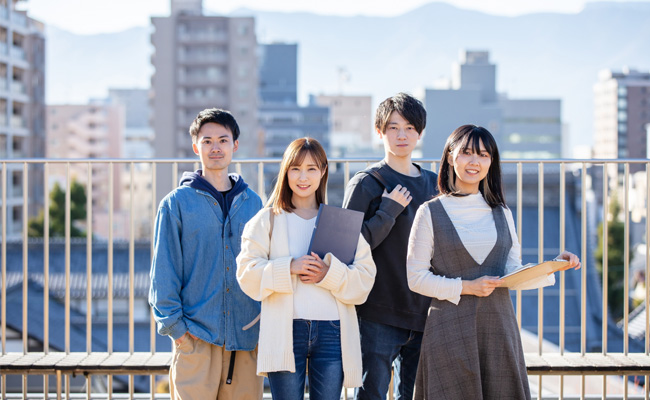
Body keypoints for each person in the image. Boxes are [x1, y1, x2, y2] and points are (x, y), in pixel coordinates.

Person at [406, 124, 581, 399]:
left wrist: (555, 264)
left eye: (484, 155)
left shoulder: (501, 213)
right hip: (449, 330)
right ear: (450, 157)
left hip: (498, 328)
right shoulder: (429, 212)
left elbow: (512, 272)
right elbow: (415, 277)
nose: (475, 161)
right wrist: (467, 286)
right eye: (466, 153)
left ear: (491, 162)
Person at [236, 137, 376, 400]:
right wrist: (289, 266)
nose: (303, 177)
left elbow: (365, 280)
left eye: (312, 168)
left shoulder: (339, 222)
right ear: (285, 172)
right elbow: (246, 273)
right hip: (286, 330)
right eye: (295, 168)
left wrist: (328, 274)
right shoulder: (267, 220)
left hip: (333, 330)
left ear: (323, 171)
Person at [149, 108, 264, 400]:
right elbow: (163, 273)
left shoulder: (253, 203)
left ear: (235, 146)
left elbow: (263, 266)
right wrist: (179, 333)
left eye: (223, 140)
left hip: (246, 341)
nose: (216, 147)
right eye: (208, 140)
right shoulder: (175, 204)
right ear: (195, 146)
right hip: (196, 339)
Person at [342, 93, 438, 400]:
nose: (402, 135)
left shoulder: (436, 185)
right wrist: (387, 212)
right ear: (379, 130)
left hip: (425, 312)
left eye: (410, 128)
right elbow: (345, 249)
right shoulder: (366, 183)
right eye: (394, 127)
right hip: (377, 314)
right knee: (370, 395)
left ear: (420, 133)